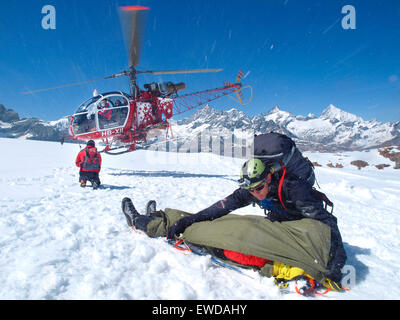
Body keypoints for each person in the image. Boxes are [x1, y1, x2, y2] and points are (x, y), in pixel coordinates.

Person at [121, 158, 347, 291]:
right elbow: (220, 208)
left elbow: (328, 224)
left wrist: (336, 266)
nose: (255, 194)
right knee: (222, 222)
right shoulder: (254, 188)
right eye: (250, 191)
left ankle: (145, 223)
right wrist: (188, 220)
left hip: (300, 234)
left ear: (269, 178)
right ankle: (163, 218)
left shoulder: (294, 189)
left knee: (233, 238)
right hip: (278, 228)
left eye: (258, 189)